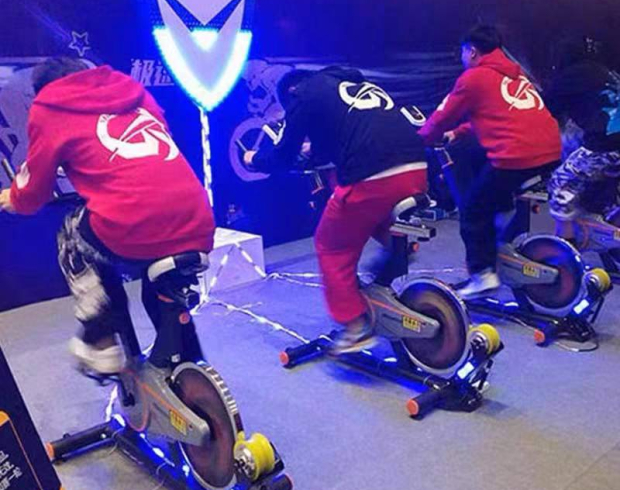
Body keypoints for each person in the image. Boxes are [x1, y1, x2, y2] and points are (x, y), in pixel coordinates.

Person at [0, 57, 215, 374]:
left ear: (40, 89)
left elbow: (34, 190)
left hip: (132, 222)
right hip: (197, 218)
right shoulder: (132, 91)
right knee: (163, 290)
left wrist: (15, 197)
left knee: (72, 233)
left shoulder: (50, 106)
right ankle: (186, 363)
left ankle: (100, 338)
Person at [244, 66, 428, 354]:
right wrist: (313, 151)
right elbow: (348, 134)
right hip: (417, 167)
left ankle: (355, 328)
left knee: (330, 245)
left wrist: (254, 159)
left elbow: (283, 156)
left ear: (290, 93)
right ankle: (399, 250)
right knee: (368, 217)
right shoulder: (347, 85)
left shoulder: (301, 96)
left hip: (374, 176)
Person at [418, 25, 561, 299]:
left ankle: (482, 276)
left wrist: (418, 141)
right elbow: (498, 114)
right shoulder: (515, 75)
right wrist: (458, 133)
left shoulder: (473, 77)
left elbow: (440, 119)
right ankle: (501, 232)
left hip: (518, 154)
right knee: (491, 186)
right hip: (550, 151)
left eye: (463, 52)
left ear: (471, 51)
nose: (462, 57)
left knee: (472, 209)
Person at [545, 37, 620, 237]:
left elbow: (545, 110)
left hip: (606, 143)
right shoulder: (604, 71)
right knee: (601, 182)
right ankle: (606, 224)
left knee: (560, 183)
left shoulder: (568, 77)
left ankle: (566, 241)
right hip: (613, 141)